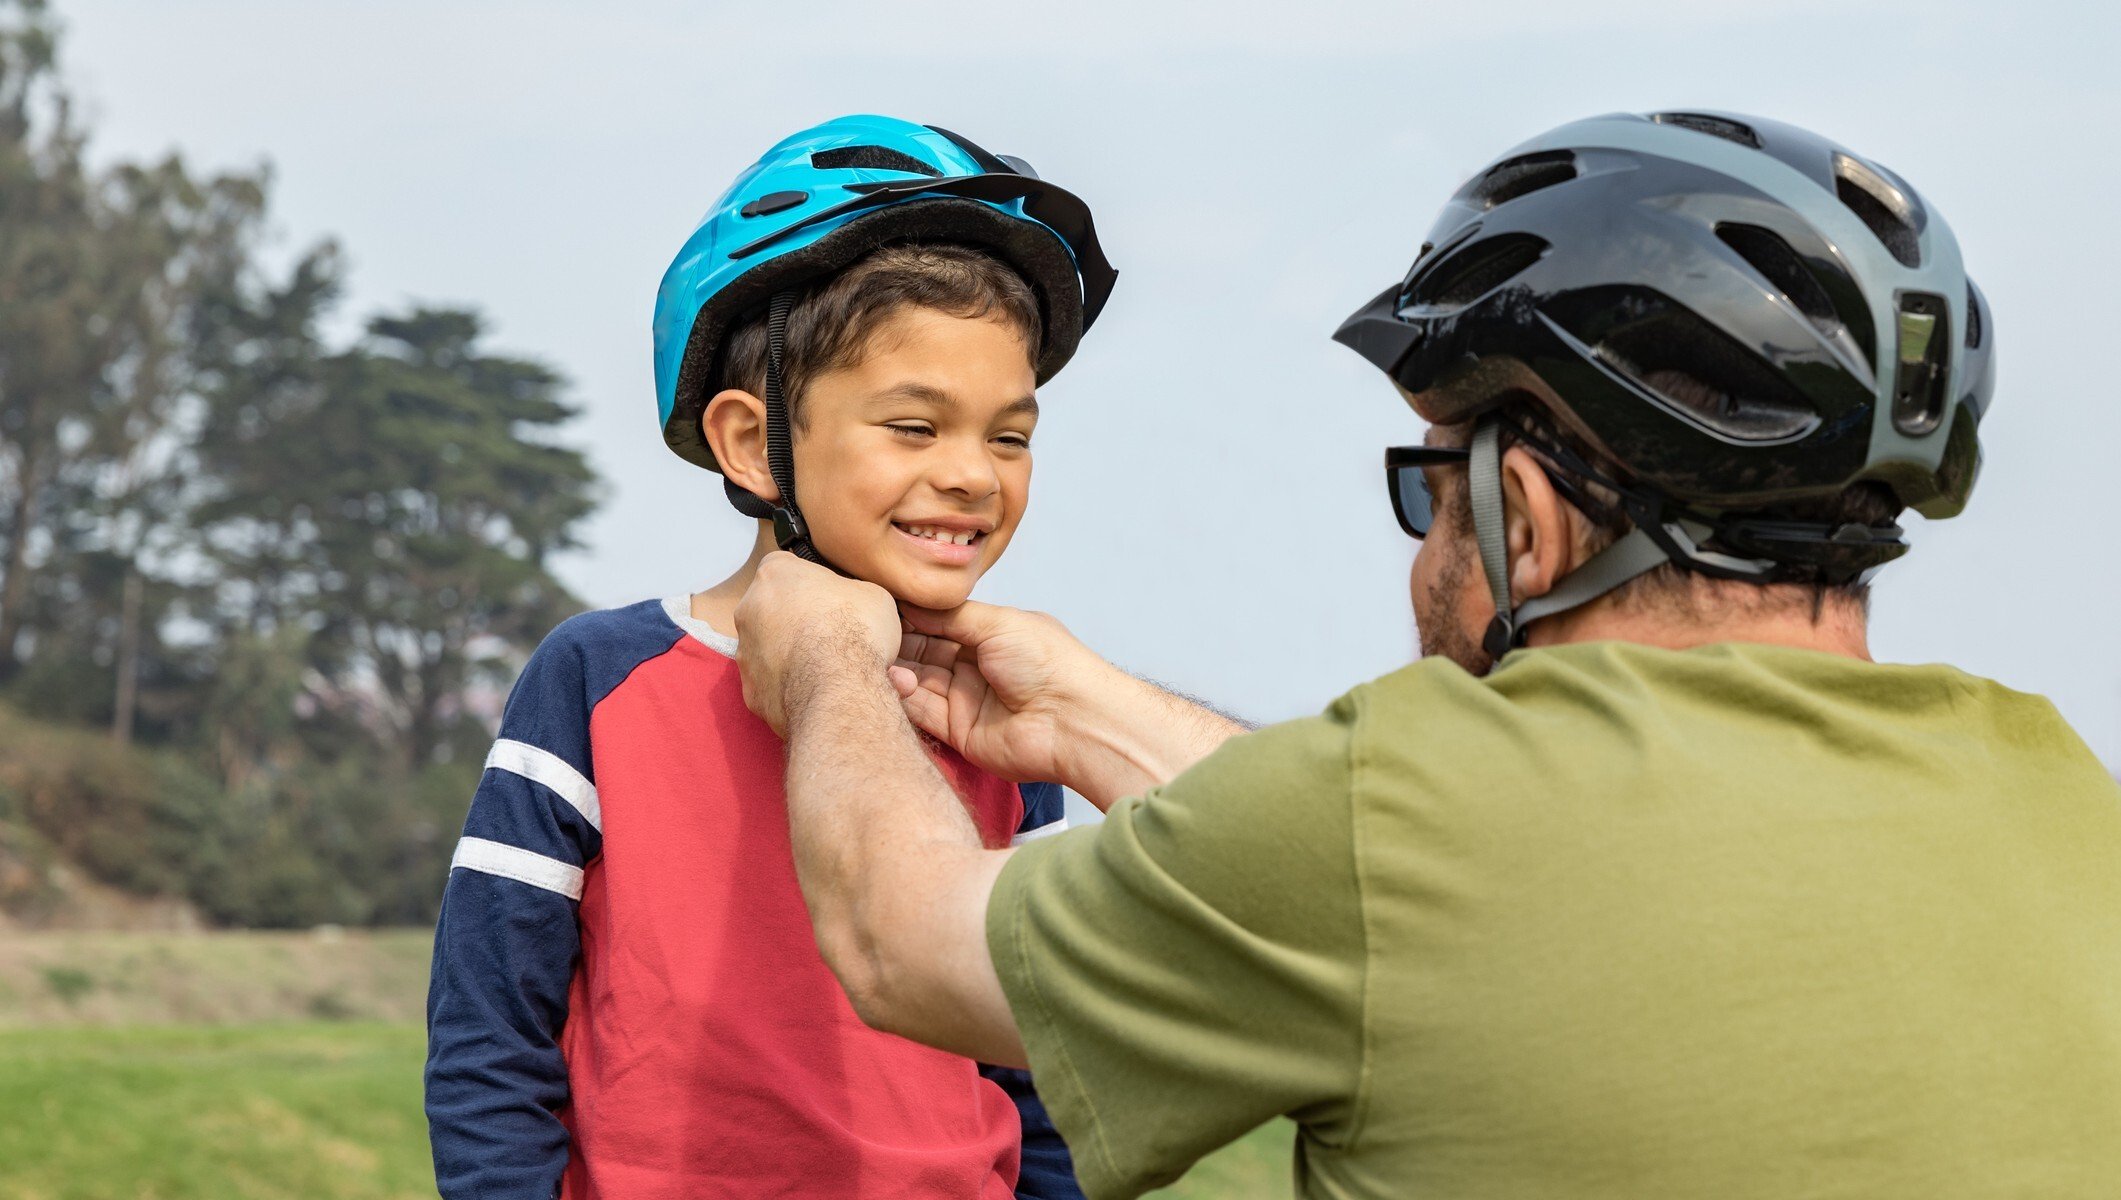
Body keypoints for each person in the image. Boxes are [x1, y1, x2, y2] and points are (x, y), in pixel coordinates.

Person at [732, 111, 2121, 1198]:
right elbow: (1426, 899)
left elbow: (896, 939)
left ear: (1526, 516)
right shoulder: (2062, 798)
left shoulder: (1401, 803)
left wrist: (824, 657)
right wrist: (1089, 714)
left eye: (1431, 485)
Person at [424, 114, 1116, 1199]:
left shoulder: (1006, 715)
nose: (976, 476)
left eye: (1009, 435)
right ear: (754, 443)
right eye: (916, 426)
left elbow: (1042, 1076)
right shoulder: (595, 683)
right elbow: (488, 1041)